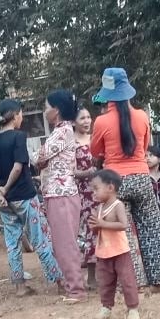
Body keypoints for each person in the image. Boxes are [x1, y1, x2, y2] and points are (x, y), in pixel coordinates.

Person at [91, 68, 160, 293]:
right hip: (141, 178)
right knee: (153, 230)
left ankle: (135, 285)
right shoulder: (142, 116)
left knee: (124, 235)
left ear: (107, 92)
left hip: (115, 182)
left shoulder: (101, 121)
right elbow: (145, 144)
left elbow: (95, 151)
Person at [0, 99, 63, 297]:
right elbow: (19, 166)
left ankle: (20, 286)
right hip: (25, 197)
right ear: (15, 115)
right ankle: (59, 282)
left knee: (12, 243)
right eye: (20, 114)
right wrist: (7, 187)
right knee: (40, 239)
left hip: (5, 202)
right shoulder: (19, 137)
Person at [36, 90, 87, 302]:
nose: (44, 111)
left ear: (56, 110)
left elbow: (40, 156)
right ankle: (73, 286)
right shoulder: (62, 131)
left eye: (47, 107)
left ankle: (76, 290)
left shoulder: (62, 131)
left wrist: (35, 158)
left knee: (65, 243)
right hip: (58, 192)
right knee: (62, 242)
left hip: (62, 193)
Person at [89, 169, 140, 319]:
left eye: (96, 189)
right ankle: (106, 307)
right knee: (105, 281)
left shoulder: (117, 205)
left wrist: (103, 223)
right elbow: (99, 229)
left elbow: (123, 224)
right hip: (104, 251)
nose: (94, 193)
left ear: (110, 188)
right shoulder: (100, 208)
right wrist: (95, 226)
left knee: (127, 280)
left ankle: (132, 308)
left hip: (119, 250)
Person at [74, 107, 100, 280]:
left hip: (102, 191)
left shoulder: (95, 139)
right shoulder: (72, 143)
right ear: (74, 122)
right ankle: (91, 277)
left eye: (88, 117)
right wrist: (89, 172)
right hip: (85, 194)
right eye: (82, 118)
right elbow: (72, 171)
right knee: (90, 232)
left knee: (103, 230)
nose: (86, 121)